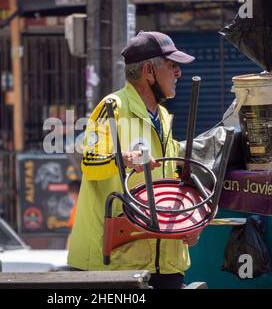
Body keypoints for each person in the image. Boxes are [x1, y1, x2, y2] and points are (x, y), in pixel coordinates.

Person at [67, 31, 201, 289]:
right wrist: (125, 159)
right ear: (149, 71)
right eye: (173, 66)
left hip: (165, 261)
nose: (178, 73)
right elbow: (92, 164)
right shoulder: (112, 107)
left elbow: (170, 180)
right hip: (116, 264)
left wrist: (188, 223)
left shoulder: (162, 115)